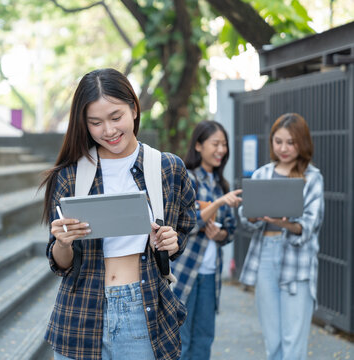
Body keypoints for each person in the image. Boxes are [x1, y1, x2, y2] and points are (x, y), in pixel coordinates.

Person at [40, 68, 196, 360]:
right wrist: (62, 243)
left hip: (143, 308)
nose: (109, 131)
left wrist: (171, 242)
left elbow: (183, 232)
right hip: (80, 313)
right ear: (83, 124)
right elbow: (61, 264)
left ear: (134, 109)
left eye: (116, 117)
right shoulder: (70, 176)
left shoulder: (168, 168)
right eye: (95, 123)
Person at [238, 113, 324, 360]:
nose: (284, 148)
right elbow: (246, 215)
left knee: (293, 341)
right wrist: (254, 216)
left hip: (297, 262)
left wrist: (283, 223)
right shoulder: (261, 174)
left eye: (291, 142)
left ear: (302, 143)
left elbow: (310, 225)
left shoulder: (313, 177)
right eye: (278, 141)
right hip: (265, 255)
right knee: (272, 339)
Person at [170, 120, 242, 360]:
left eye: (224, 144)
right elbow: (186, 223)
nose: (221, 149)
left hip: (211, 274)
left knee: (204, 338)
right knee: (182, 339)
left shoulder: (222, 184)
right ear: (199, 146)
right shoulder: (188, 179)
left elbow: (230, 230)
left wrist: (219, 234)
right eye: (215, 144)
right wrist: (219, 204)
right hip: (186, 272)